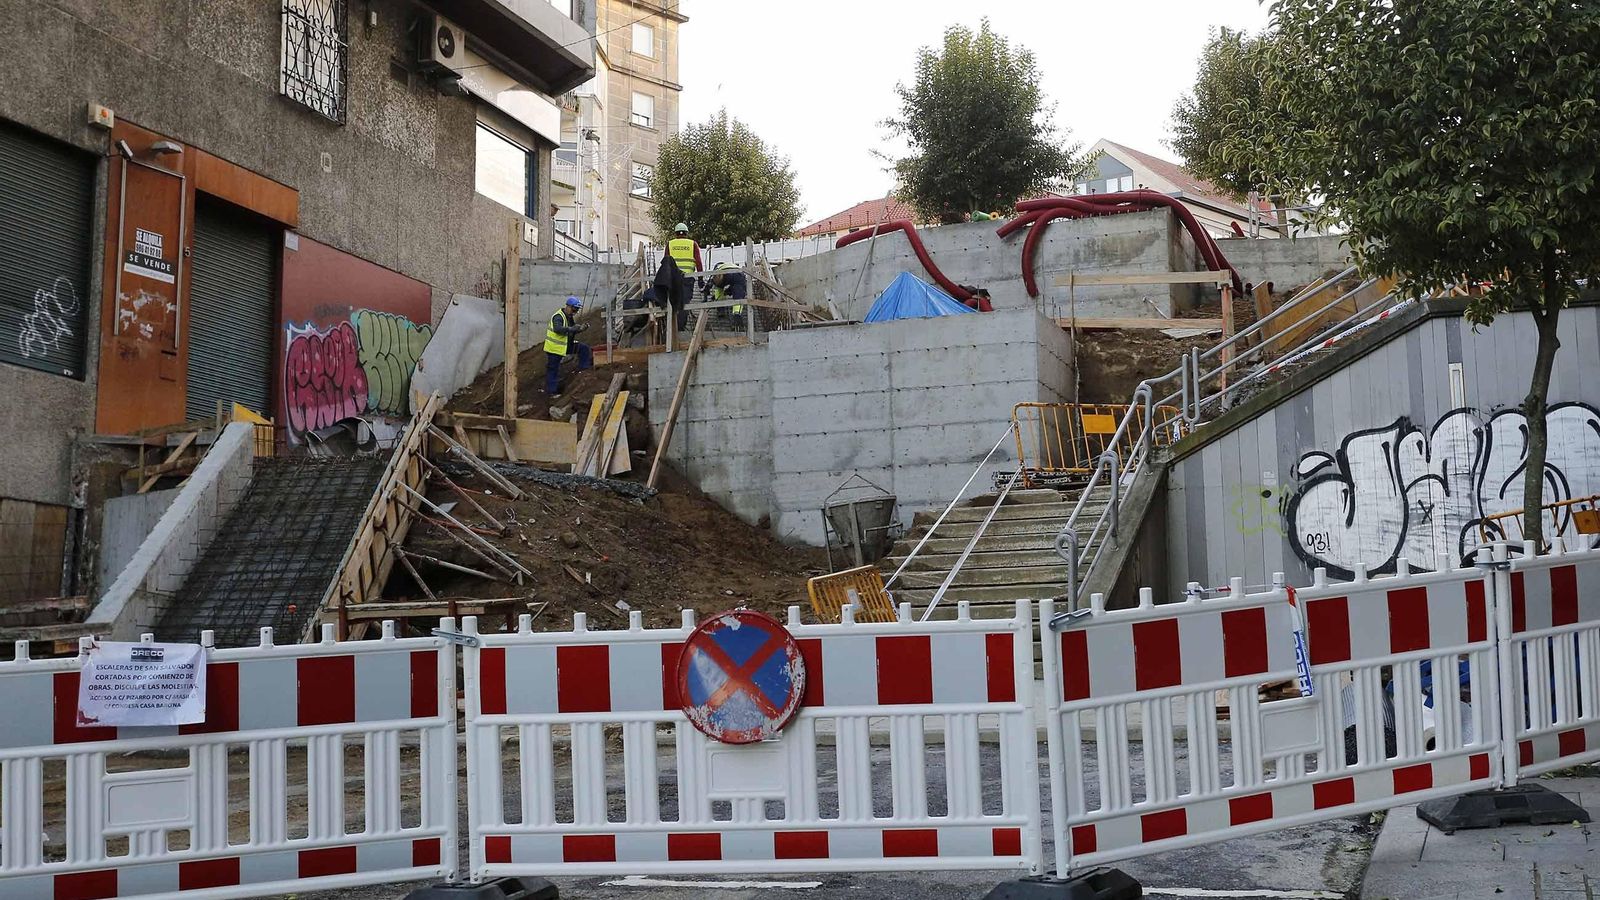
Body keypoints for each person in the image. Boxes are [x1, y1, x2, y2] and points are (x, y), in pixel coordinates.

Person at [544, 296, 592, 395]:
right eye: (574, 309)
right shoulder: (558, 316)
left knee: (583, 348)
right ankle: (551, 392)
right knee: (553, 370)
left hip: (565, 345)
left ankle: (584, 369)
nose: (575, 312)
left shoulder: (569, 317)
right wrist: (573, 329)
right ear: (568, 307)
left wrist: (580, 329)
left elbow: (571, 330)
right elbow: (558, 329)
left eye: (577, 310)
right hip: (554, 349)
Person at [666, 223, 701, 331]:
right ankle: (680, 329)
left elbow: (665, 262)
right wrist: (700, 279)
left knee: (673, 303)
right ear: (686, 233)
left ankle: (672, 330)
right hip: (687, 279)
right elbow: (698, 262)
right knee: (684, 303)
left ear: (676, 233)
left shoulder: (670, 244)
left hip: (673, 279)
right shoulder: (692, 244)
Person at [703, 261, 748, 328]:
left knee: (718, 288)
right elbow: (737, 285)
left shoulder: (718, 267)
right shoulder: (732, 265)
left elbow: (710, 282)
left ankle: (720, 309)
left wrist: (706, 296)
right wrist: (729, 291)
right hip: (739, 275)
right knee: (738, 296)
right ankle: (736, 315)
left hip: (723, 275)